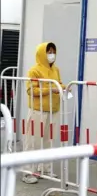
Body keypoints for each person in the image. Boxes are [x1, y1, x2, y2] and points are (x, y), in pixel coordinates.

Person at [22, 42, 65, 184]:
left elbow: (59, 83)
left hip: (53, 110)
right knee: (32, 141)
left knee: (48, 141)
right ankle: (28, 171)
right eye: (48, 52)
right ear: (42, 53)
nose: (51, 55)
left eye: (53, 51)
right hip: (38, 111)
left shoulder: (56, 70)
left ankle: (44, 169)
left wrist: (64, 87)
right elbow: (31, 91)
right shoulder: (34, 71)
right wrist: (50, 90)